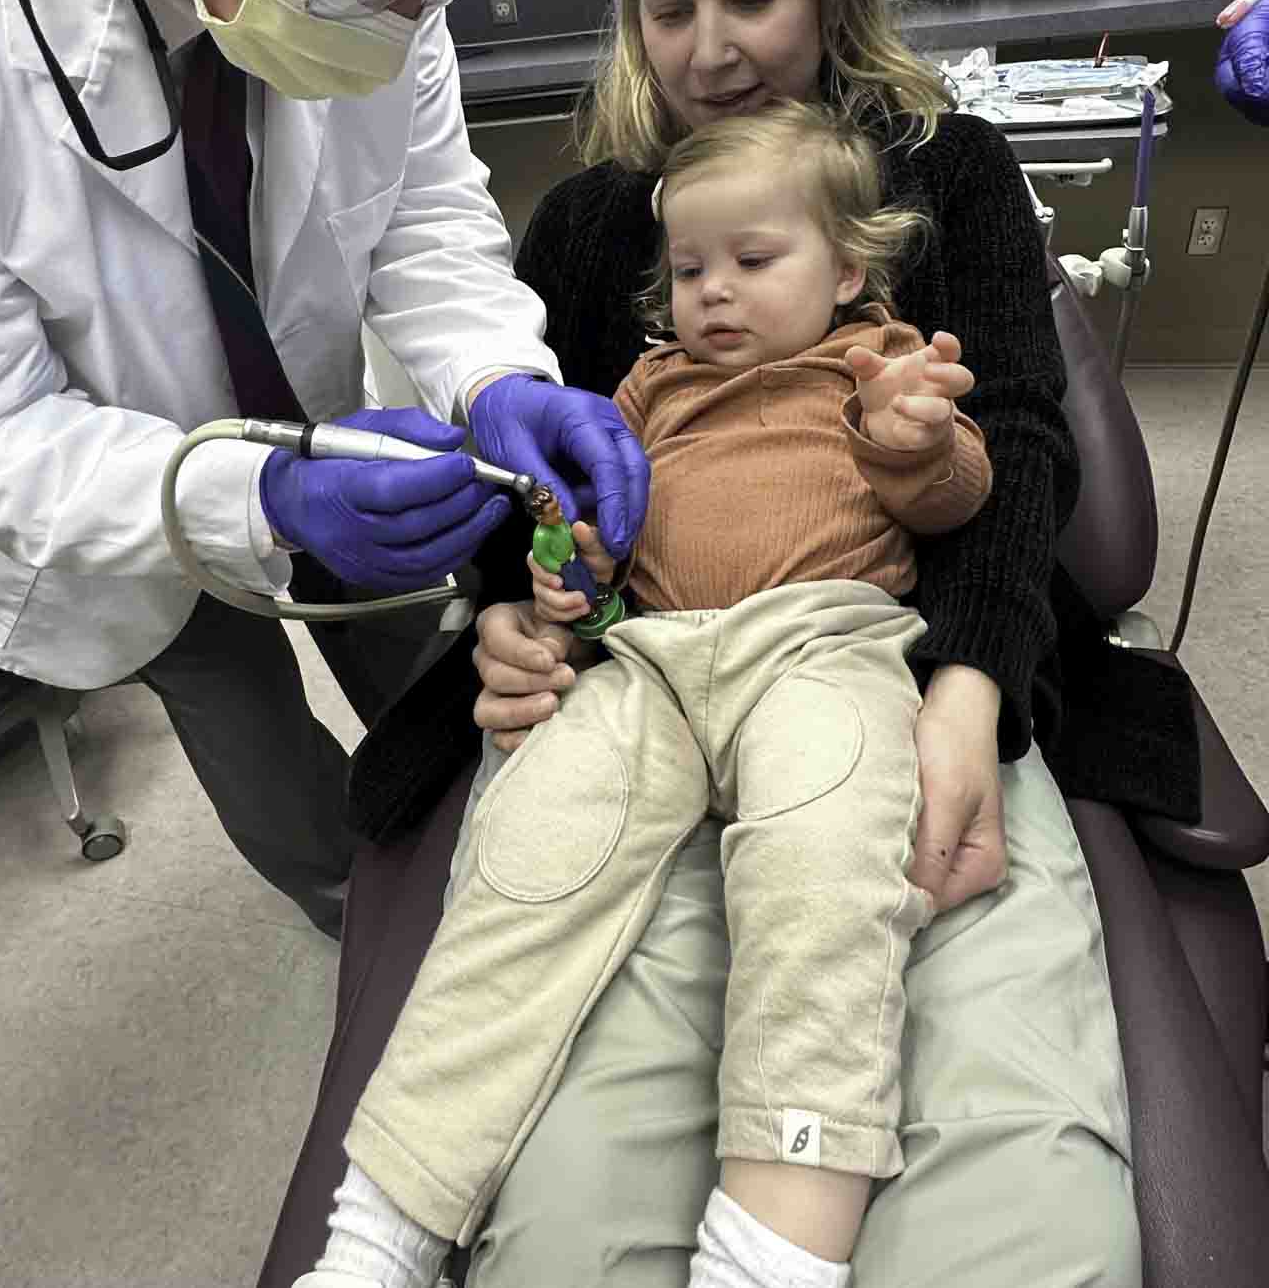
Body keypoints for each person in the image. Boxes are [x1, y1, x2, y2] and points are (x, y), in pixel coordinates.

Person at [290, 0, 1147, 1287]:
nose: (712, 49)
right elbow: (538, 485)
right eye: (668, 6)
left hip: (879, 674)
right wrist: (507, 609)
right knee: (555, 1218)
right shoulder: (590, 227)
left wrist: (967, 691)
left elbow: (1011, 445)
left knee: (1006, 1204)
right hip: (641, 688)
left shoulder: (943, 175)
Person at [0, 0, 646, 938]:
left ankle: (500, 889)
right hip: (102, 504)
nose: (403, 27)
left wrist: (494, 373)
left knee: (442, 685)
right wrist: (248, 499)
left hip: (332, 420)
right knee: (265, 751)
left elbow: (419, 201)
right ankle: (369, 921)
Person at [299, 100, 995, 1288]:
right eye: (687, 269)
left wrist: (910, 438)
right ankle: (382, 1227)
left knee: (826, 863)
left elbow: (960, 495)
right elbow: (585, 536)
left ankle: (773, 1242)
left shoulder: (874, 366)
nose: (711, 291)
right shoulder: (647, 391)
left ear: (845, 273)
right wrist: (565, 564)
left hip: (814, 647)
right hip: (651, 663)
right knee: (528, 853)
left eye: (752, 261)